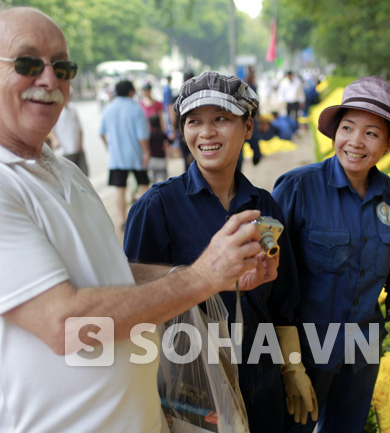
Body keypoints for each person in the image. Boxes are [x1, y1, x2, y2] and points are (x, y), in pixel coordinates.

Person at [0, 7, 278, 433]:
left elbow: (108, 273)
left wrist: (205, 274)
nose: (49, 80)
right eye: (28, 63)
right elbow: (67, 325)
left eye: (62, 66)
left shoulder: (61, 169)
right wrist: (202, 278)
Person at [124, 71, 318, 433]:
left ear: (248, 127)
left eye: (221, 119)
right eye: (193, 121)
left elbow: (283, 300)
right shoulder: (157, 208)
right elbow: (132, 301)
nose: (206, 132)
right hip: (191, 394)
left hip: (262, 383)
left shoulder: (266, 207)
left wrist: (292, 367)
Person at [272, 76, 390, 433]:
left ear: (387, 144)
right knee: (294, 427)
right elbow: (271, 270)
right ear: (335, 133)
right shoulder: (298, 187)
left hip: (363, 345)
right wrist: (285, 359)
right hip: (308, 345)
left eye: (371, 133)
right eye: (348, 127)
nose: (355, 141)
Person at [100, 80, 150, 224]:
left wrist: (108, 146)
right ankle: (145, 219)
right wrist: (146, 152)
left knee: (120, 189)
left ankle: (123, 220)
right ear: (131, 92)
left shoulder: (108, 108)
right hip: (136, 155)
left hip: (117, 157)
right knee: (143, 186)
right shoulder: (136, 109)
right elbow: (142, 135)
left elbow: (101, 133)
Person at [50, 91, 88, 175]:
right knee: (67, 175)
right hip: (64, 149)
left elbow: (79, 128)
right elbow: (51, 130)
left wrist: (81, 144)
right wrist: (55, 141)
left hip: (76, 147)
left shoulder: (73, 108)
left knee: (81, 174)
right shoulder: (56, 109)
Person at [147, 114, 171, 183]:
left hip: (152, 158)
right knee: (164, 178)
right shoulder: (162, 134)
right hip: (161, 158)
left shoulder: (149, 135)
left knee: (153, 180)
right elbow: (170, 142)